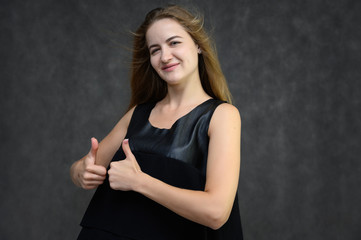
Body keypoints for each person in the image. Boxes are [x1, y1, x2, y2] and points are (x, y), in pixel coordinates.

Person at [70, 5, 243, 240]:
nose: (165, 56)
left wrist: (140, 182)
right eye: (155, 50)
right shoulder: (137, 115)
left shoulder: (222, 115)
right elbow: (88, 165)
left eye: (174, 43)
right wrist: (80, 171)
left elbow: (216, 212)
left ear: (198, 45)